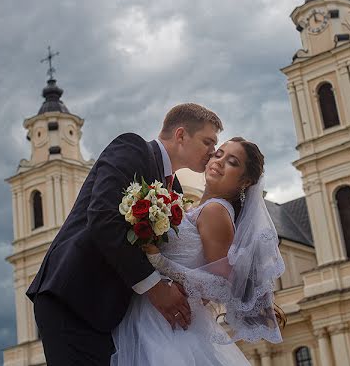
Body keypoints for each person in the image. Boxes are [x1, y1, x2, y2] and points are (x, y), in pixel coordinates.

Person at [26, 103, 223, 365]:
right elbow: (103, 218)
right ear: (181, 135)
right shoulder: (132, 148)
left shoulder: (173, 187)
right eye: (208, 142)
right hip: (73, 298)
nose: (213, 152)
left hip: (112, 312)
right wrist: (154, 287)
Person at [111, 137, 286, 365]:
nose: (219, 161)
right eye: (219, 153)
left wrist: (158, 260)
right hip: (153, 314)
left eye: (232, 162)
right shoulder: (195, 208)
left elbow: (219, 286)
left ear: (245, 182)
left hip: (167, 324)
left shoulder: (216, 211)